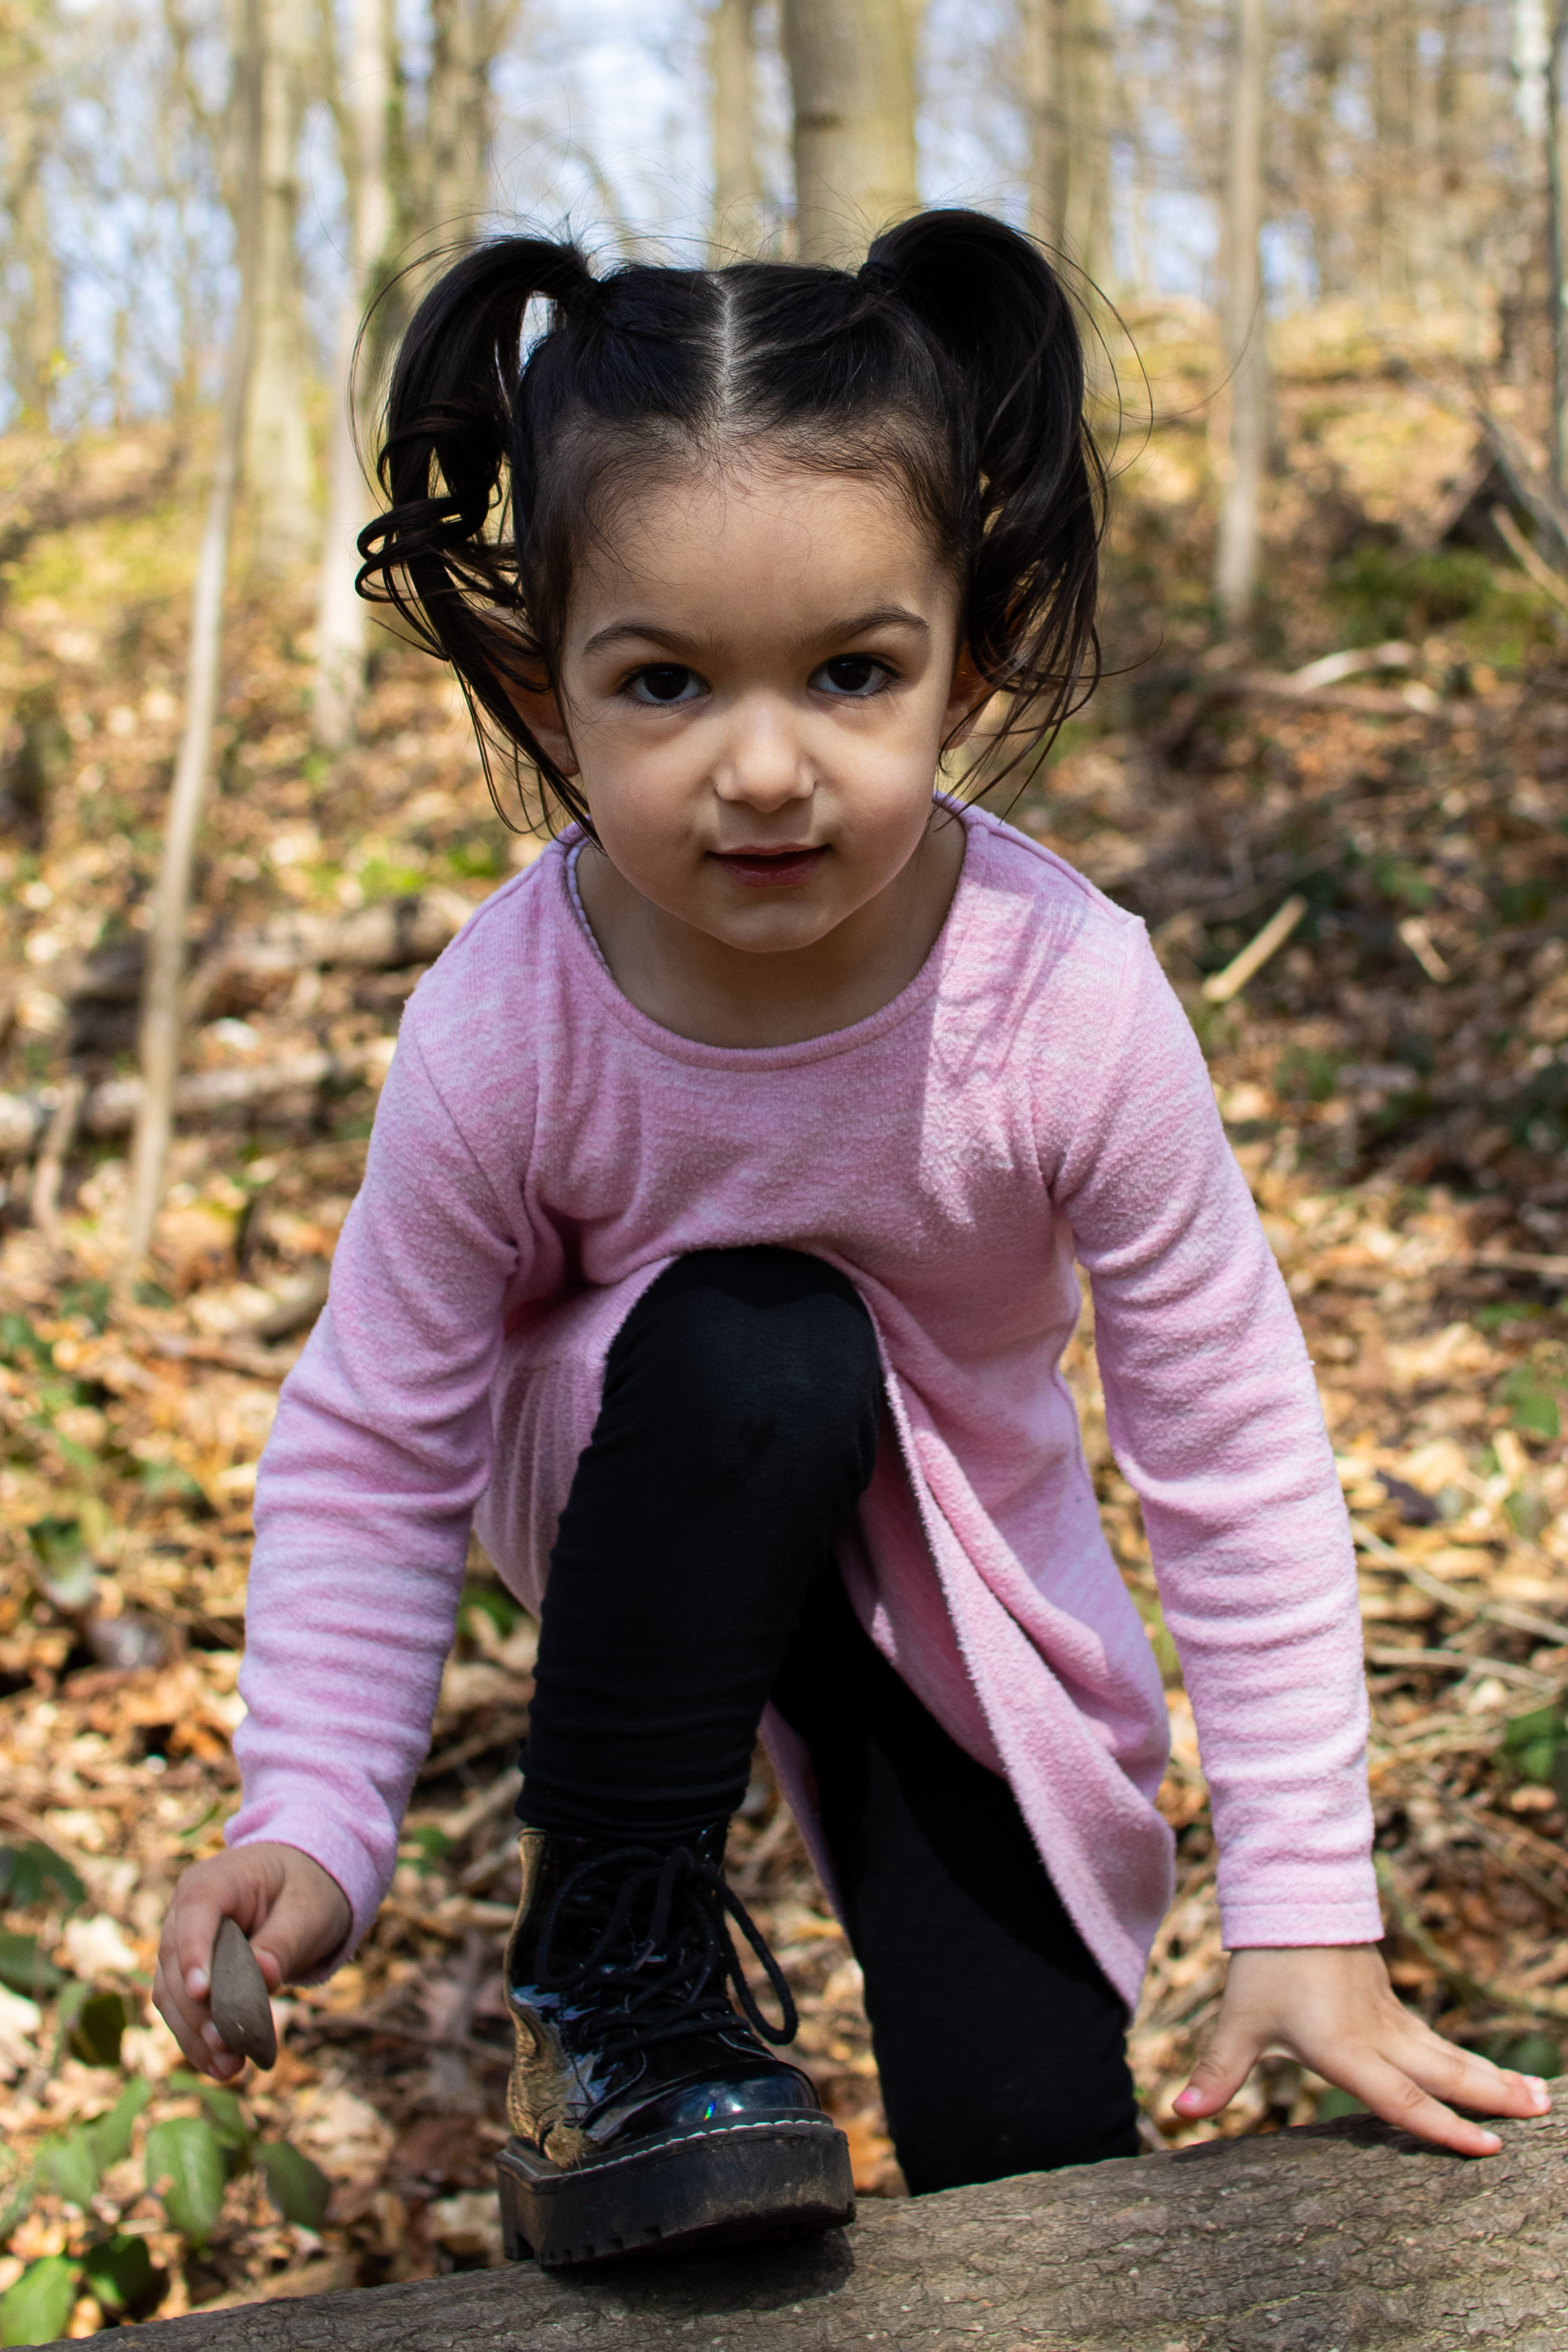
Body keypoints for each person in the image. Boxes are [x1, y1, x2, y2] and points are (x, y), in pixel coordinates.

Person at [154, 209, 1550, 2267]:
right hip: (638, 1473)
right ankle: (610, 1984)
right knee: (763, 1332)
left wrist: (1309, 1909)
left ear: (962, 659)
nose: (765, 768)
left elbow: (1231, 1441)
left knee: (1036, 2168)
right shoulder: (503, 1028)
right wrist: (310, 1811)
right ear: (549, 693)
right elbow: (376, 1443)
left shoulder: (1061, 1001)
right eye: (664, 683)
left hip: (956, 1568)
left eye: (850, 673)